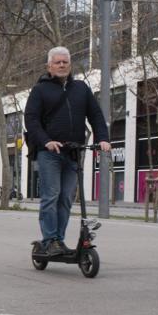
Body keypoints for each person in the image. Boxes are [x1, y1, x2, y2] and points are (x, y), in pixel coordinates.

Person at [24, 46, 111, 256]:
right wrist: (46, 141)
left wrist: (103, 139)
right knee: (51, 195)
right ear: (49, 66)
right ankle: (50, 239)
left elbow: (96, 116)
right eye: (58, 62)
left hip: (73, 152)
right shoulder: (40, 90)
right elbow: (31, 120)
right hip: (49, 153)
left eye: (65, 62)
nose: (62, 65)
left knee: (65, 198)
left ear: (70, 65)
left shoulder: (81, 88)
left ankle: (58, 240)